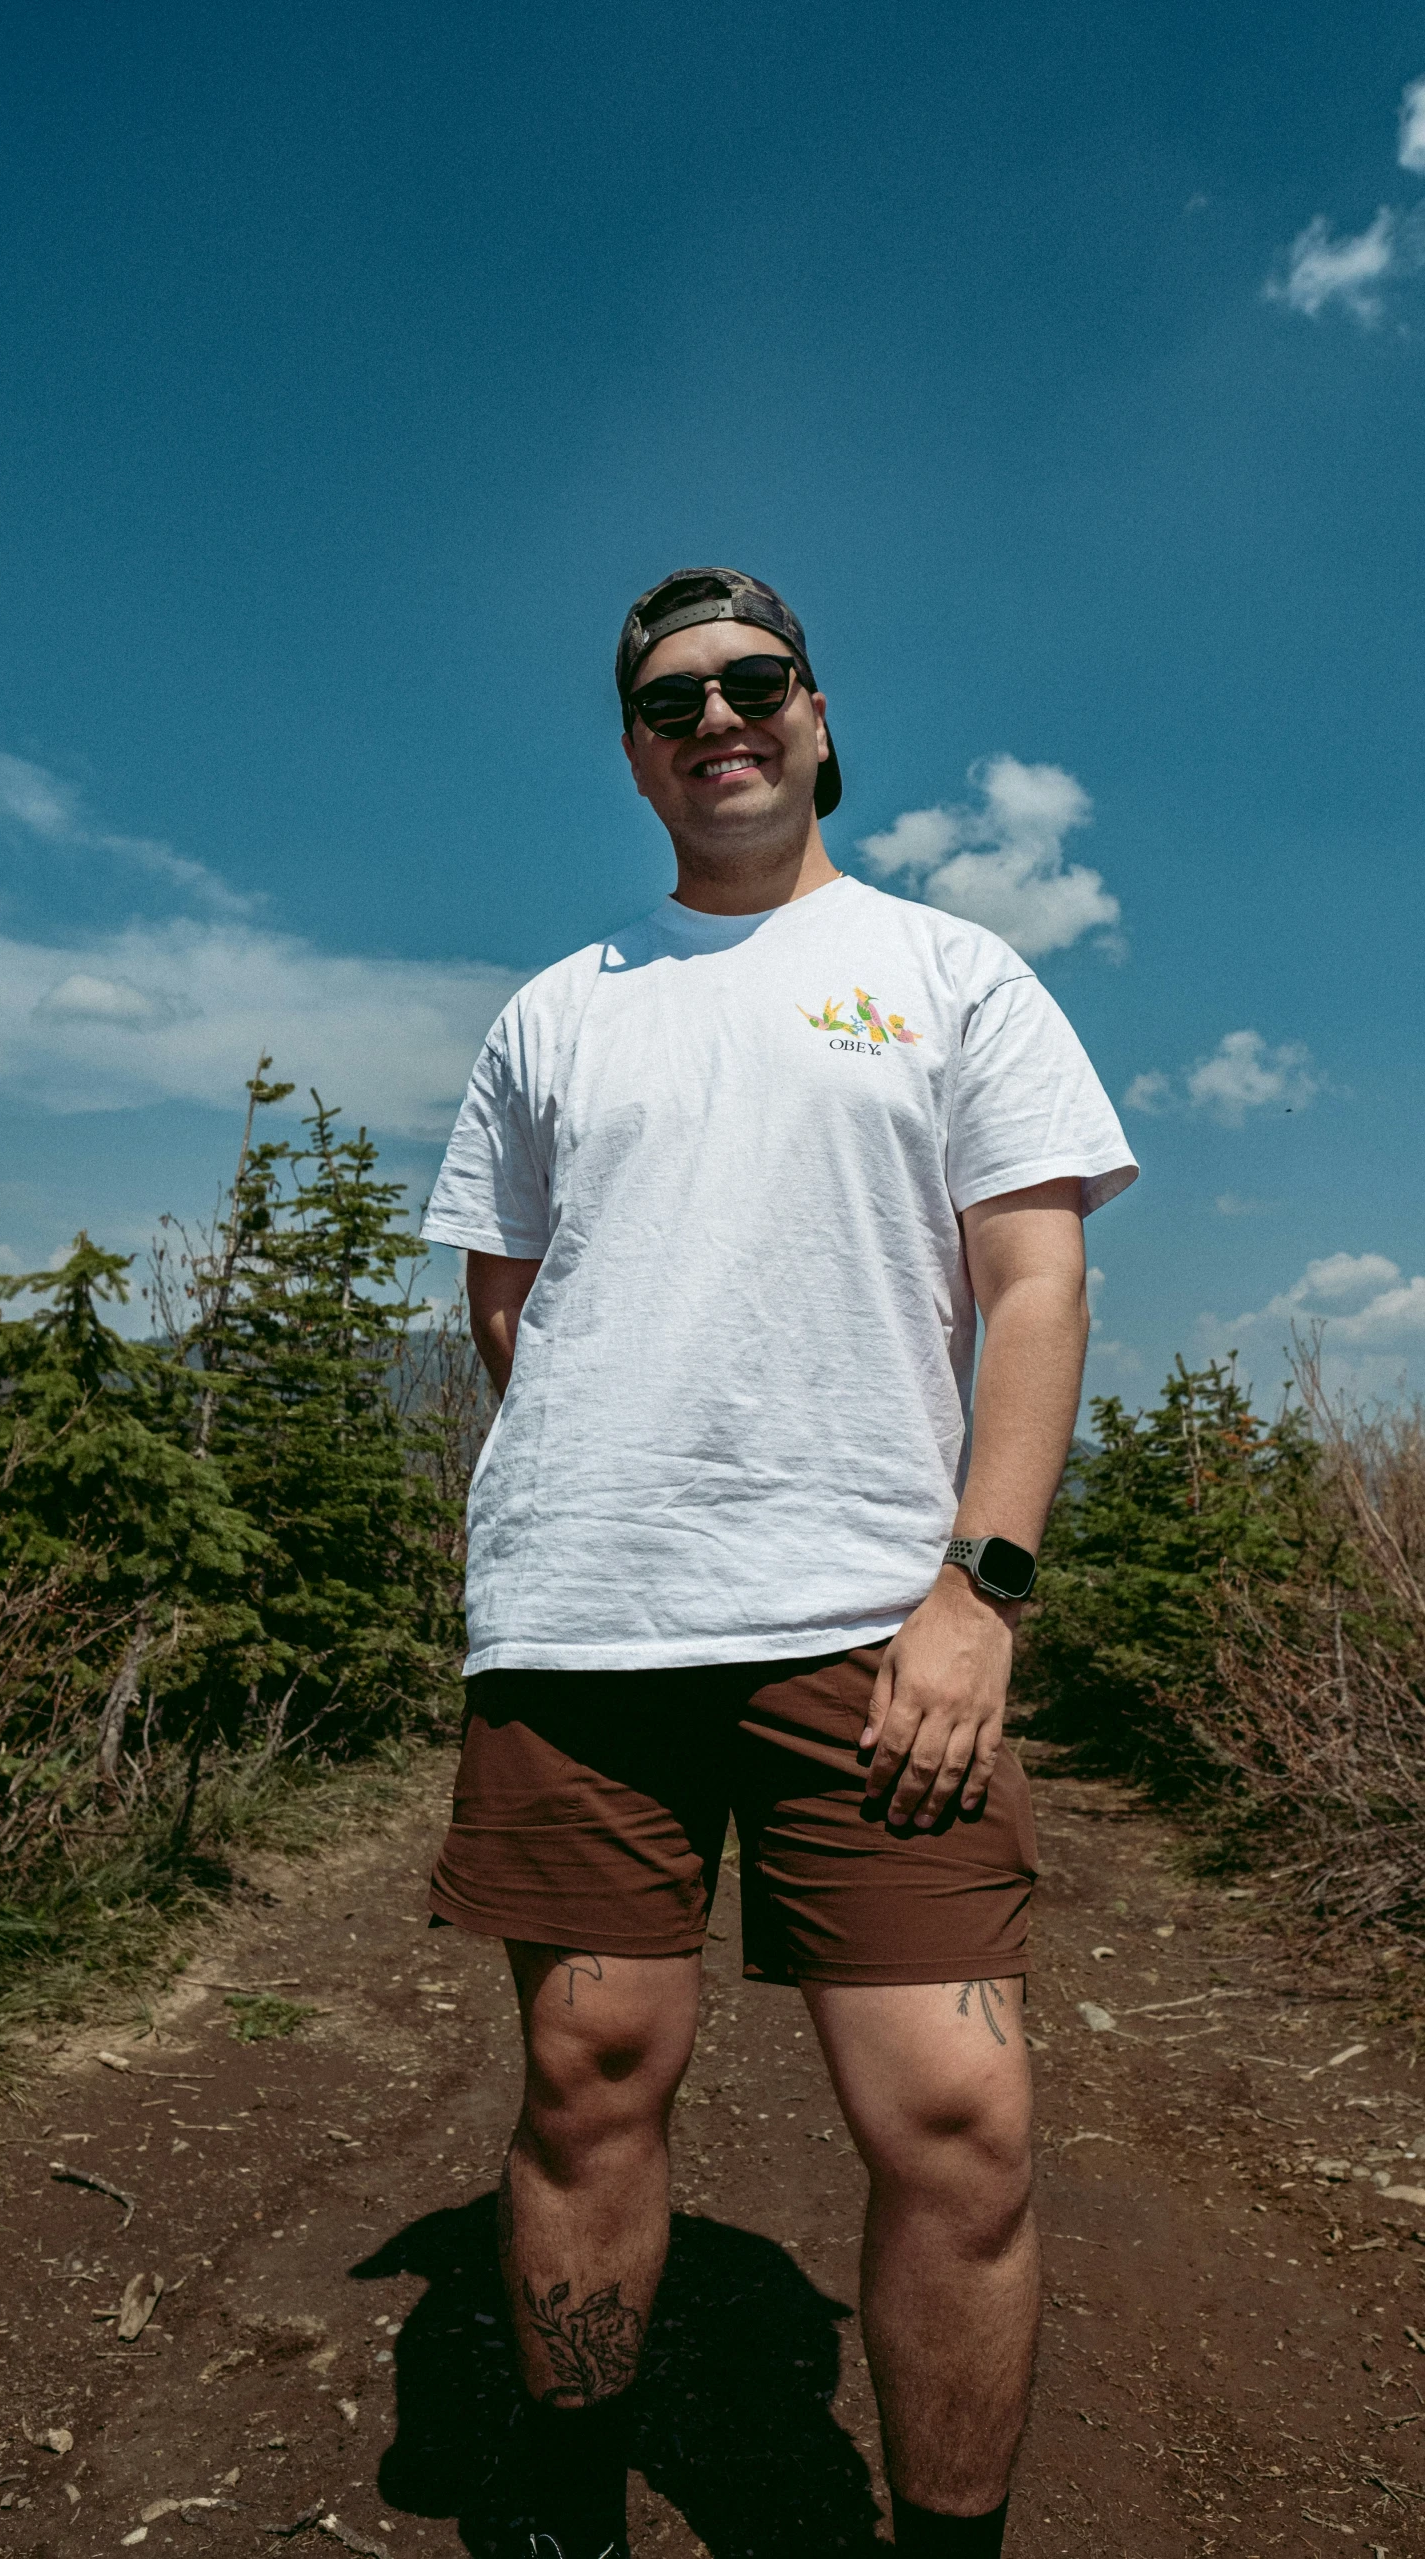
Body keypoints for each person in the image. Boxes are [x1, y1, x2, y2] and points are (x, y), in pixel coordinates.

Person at [422, 566, 1137, 2559]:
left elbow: (1037, 1278)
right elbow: (512, 1308)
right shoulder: (555, 1012)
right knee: (588, 2083)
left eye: (753, 683)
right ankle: (569, 2513)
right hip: (587, 1625)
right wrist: (638, 1479)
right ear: (637, 751)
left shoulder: (951, 972)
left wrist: (978, 1585)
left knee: (958, 2122)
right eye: (672, 699)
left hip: (879, 1628)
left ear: (817, 718)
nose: (716, 717)